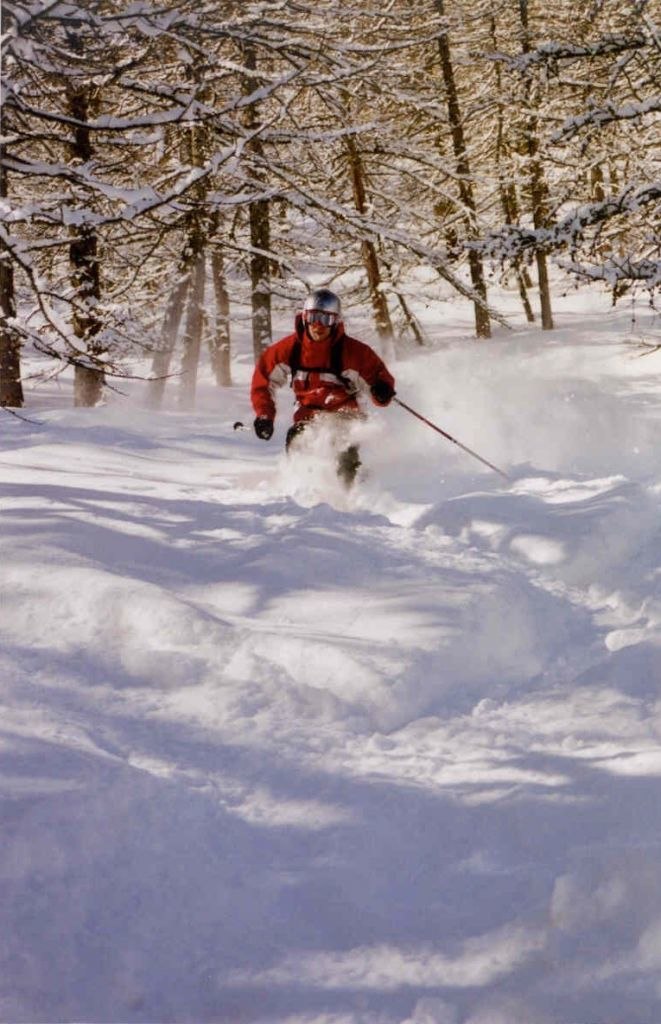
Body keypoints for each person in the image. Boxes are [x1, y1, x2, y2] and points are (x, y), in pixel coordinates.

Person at [250, 288, 396, 486]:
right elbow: (263, 381)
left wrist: (382, 390)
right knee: (298, 442)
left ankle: (351, 495)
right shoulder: (289, 350)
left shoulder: (353, 352)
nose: (318, 326)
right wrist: (264, 416)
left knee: (342, 446)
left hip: (345, 414)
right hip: (308, 416)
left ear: (335, 321)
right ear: (304, 318)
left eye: (326, 319)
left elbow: (380, 379)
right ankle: (302, 492)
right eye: (313, 317)